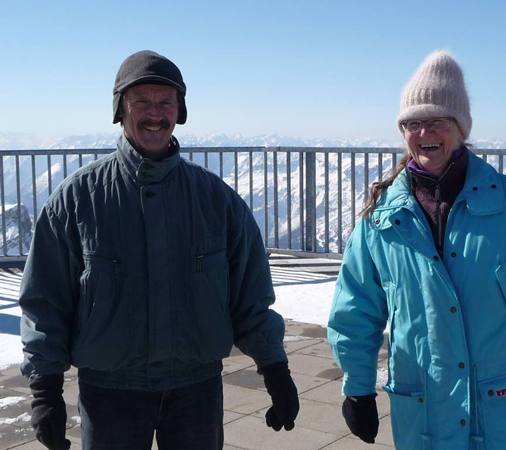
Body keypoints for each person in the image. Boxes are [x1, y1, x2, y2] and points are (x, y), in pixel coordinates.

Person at [20, 50, 299, 450]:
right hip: (110, 393)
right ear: (121, 110)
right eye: (142, 102)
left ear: (179, 111)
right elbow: (45, 300)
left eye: (166, 102)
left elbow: (250, 294)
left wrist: (275, 369)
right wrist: (44, 389)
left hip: (196, 389)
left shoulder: (216, 201)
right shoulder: (78, 199)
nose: (155, 113)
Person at [327, 50, 506, 450]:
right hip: (422, 410)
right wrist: (358, 388)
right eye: (413, 123)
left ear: (460, 129)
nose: (424, 133)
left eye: (437, 121)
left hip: (504, 408)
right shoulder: (380, 217)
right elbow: (355, 310)